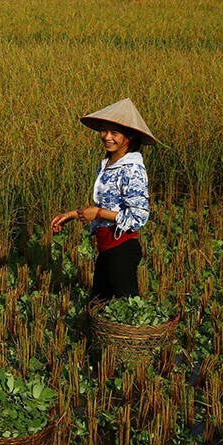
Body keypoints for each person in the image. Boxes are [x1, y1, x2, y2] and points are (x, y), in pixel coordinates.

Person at [50, 98, 158, 303]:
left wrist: (98, 214)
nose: (107, 137)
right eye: (103, 130)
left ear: (130, 135)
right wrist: (71, 215)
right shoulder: (108, 163)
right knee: (98, 304)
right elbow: (105, 204)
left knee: (129, 307)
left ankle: (140, 336)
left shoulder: (132, 168)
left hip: (122, 248)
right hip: (106, 246)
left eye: (114, 133)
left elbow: (138, 216)